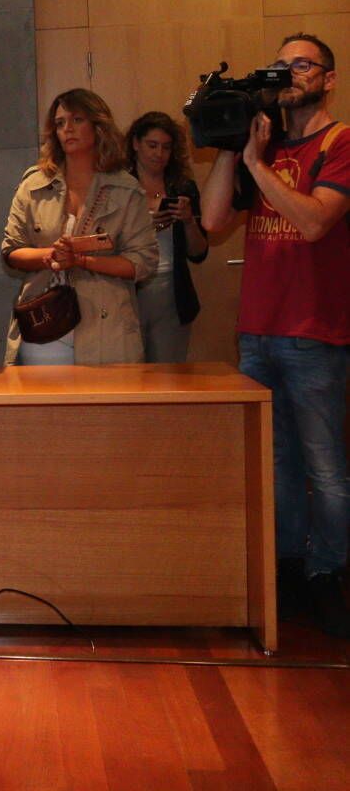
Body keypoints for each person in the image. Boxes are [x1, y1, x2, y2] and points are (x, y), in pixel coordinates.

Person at [202, 33, 350, 636]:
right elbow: (213, 223)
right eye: (282, 65)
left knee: (326, 467)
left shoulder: (339, 142)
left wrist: (259, 165)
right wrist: (230, 143)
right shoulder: (261, 144)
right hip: (258, 331)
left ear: (329, 78)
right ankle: (289, 570)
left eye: (303, 64)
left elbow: (314, 221)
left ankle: (330, 574)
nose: (291, 73)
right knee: (278, 462)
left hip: (314, 332)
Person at [2, 88, 157, 365]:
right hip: (45, 322)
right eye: (60, 123)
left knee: (102, 407)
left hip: (107, 327)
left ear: (98, 126)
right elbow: (11, 251)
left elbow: (142, 262)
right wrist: (51, 256)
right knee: (44, 405)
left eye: (77, 120)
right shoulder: (34, 184)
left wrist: (82, 260)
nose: (67, 130)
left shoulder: (126, 188)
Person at [125, 111, 208, 362]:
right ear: (135, 144)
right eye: (152, 145)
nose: (158, 154)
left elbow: (199, 253)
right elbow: (104, 243)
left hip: (172, 292)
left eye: (166, 147)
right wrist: (145, 227)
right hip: (129, 292)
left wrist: (187, 221)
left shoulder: (183, 188)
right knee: (128, 377)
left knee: (169, 377)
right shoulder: (119, 188)